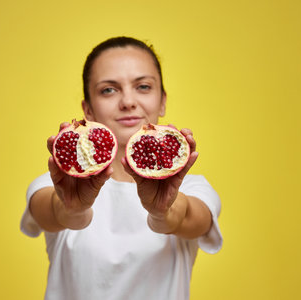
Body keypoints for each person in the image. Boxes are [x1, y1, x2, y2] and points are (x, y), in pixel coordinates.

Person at [20, 36, 223, 300]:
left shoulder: (195, 189)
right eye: (108, 90)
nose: (128, 101)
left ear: (162, 101)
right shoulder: (54, 185)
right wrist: (72, 208)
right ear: (88, 110)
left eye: (143, 86)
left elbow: (185, 219)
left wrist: (162, 212)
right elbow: (56, 213)